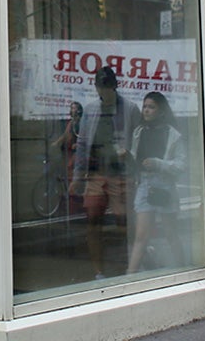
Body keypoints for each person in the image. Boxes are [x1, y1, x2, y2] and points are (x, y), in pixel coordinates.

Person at [70, 67, 140, 279]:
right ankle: (99, 271)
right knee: (93, 219)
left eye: (107, 87)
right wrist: (77, 176)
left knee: (123, 219)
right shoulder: (91, 109)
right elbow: (82, 144)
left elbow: (139, 138)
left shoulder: (129, 108)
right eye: (101, 88)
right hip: (97, 171)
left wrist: (131, 157)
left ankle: (130, 264)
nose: (104, 92)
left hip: (120, 172)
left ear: (114, 86)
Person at [127, 91, 184, 274]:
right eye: (144, 106)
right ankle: (130, 275)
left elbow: (181, 165)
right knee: (141, 235)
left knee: (170, 233)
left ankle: (183, 270)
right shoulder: (139, 132)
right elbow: (135, 158)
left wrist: (159, 164)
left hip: (164, 185)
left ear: (161, 111)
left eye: (151, 107)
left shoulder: (173, 134)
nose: (146, 110)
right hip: (144, 184)